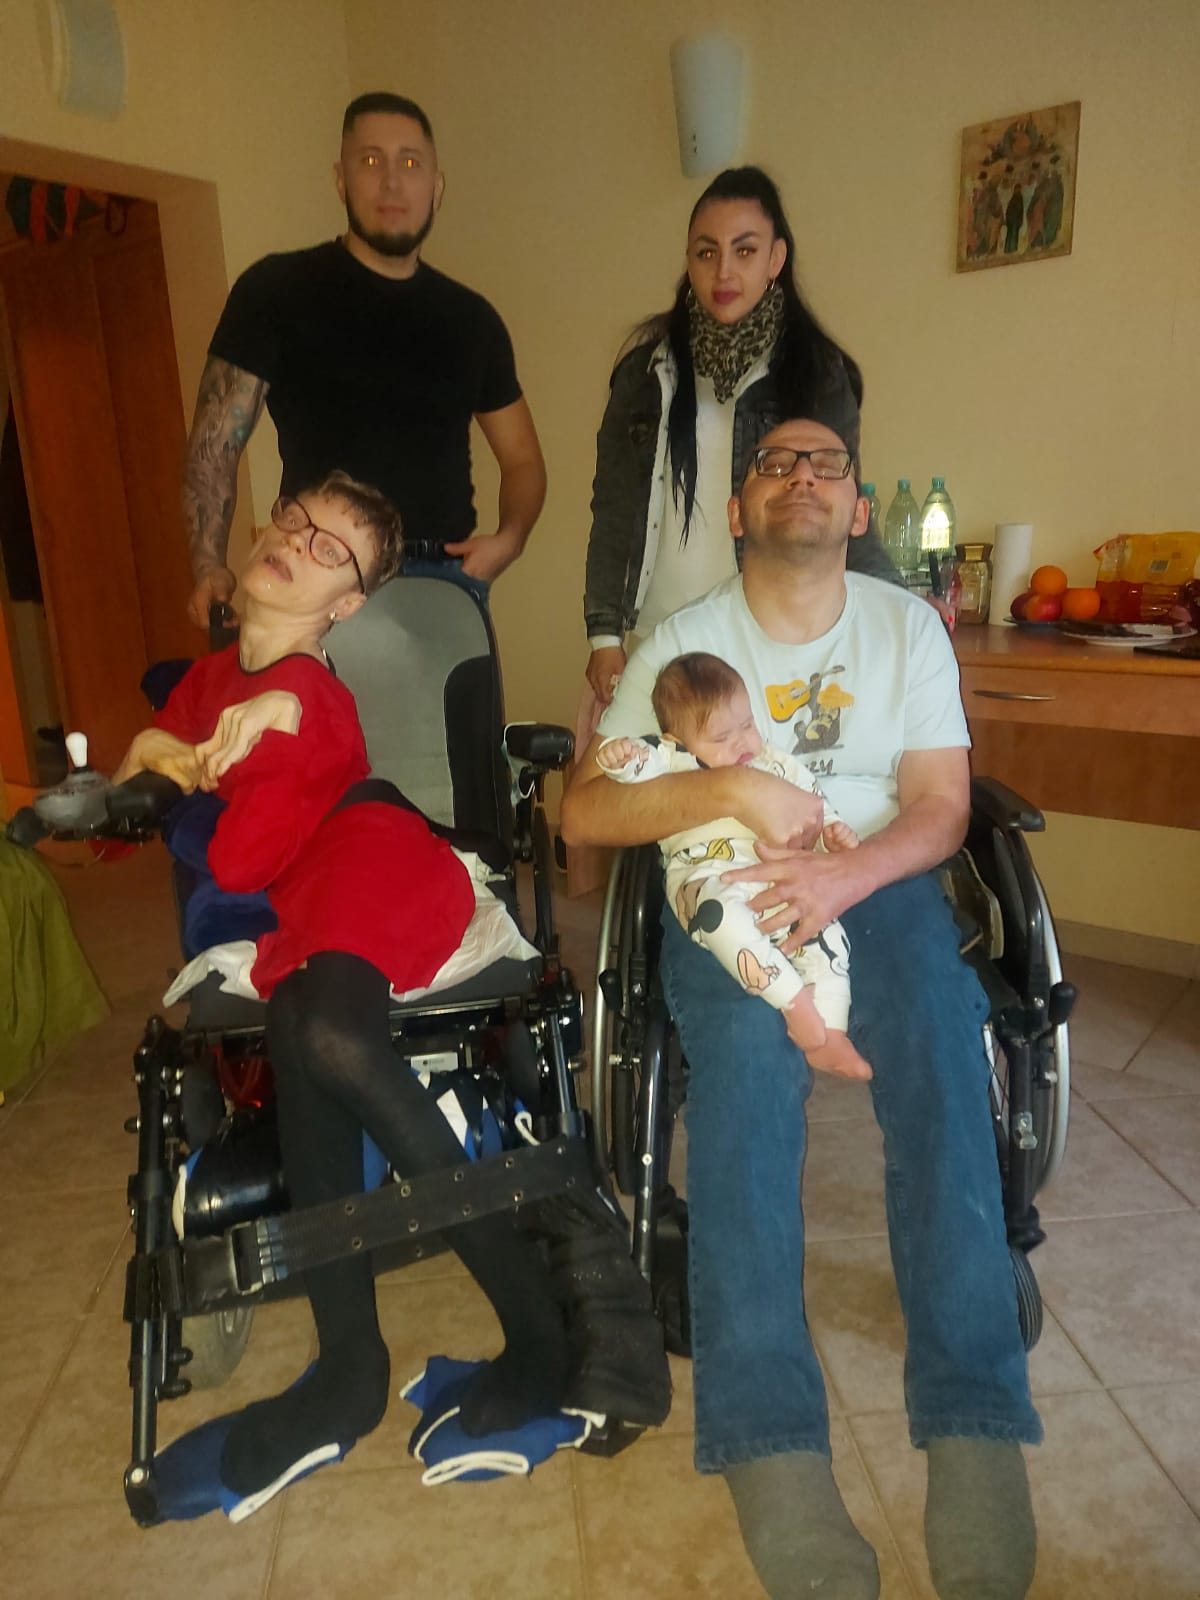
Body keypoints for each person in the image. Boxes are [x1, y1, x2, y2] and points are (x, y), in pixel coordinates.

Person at [117, 472, 667, 1514]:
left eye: (332, 549)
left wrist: (257, 729)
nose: (297, 541)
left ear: (347, 605)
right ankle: (346, 1368)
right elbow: (150, 754)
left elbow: (237, 854)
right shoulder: (209, 682)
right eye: (295, 521)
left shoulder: (312, 698)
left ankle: (533, 1336)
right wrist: (165, 749)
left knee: (330, 1037)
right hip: (307, 905)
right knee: (302, 1030)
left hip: (374, 859)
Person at [562, 420, 1041, 1600]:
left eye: (827, 464)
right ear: (739, 511)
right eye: (775, 463)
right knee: (743, 1077)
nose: (802, 477)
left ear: (860, 509)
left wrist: (845, 875)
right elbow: (586, 813)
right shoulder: (682, 643)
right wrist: (730, 785)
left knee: (941, 1043)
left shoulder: (906, 626)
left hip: (874, 877)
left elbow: (940, 803)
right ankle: (768, 1438)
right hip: (729, 890)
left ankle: (976, 1416)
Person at [182, 91, 545, 627]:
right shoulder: (276, 291)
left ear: (437, 188)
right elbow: (215, 444)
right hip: (317, 578)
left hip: (441, 586)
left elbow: (522, 459)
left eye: (411, 164)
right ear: (340, 180)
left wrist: (510, 540)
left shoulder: (473, 320)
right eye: (371, 161)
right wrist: (208, 561)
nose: (392, 182)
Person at [581, 165, 898, 715]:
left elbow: (837, 501)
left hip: (767, 640)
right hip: (661, 641)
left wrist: (900, 608)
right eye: (706, 252)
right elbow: (613, 507)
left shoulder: (817, 374)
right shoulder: (648, 372)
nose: (723, 270)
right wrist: (604, 637)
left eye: (744, 250)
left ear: (776, 259)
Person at [596, 651, 869, 1081]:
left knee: (829, 935)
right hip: (708, 879)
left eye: (747, 725)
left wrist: (832, 835)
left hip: (781, 877)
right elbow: (639, 765)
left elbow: (813, 804)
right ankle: (792, 1000)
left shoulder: (774, 762)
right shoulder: (675, 761)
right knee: (720, 920)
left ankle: (830, 1033)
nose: (743, 743)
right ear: (677, 740)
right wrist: (622, 756)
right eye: (722, 737)